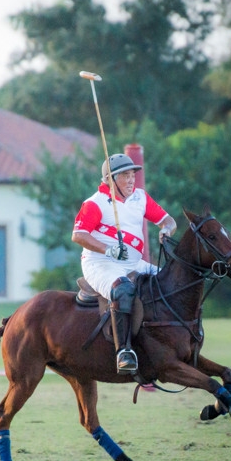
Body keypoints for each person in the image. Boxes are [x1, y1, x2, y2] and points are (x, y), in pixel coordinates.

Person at [71, 153, 177, 374]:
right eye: (125, 176)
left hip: (134, 263)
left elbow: (168, 220)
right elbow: (79, 235)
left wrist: (166, 230)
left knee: (171, 283)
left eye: (132, 175)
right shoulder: (95, 203)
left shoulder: (140, 197)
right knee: (123, 290)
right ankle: (124, 351)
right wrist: (108, 249)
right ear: (110, 179)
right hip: (100, 263)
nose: (131, 180)